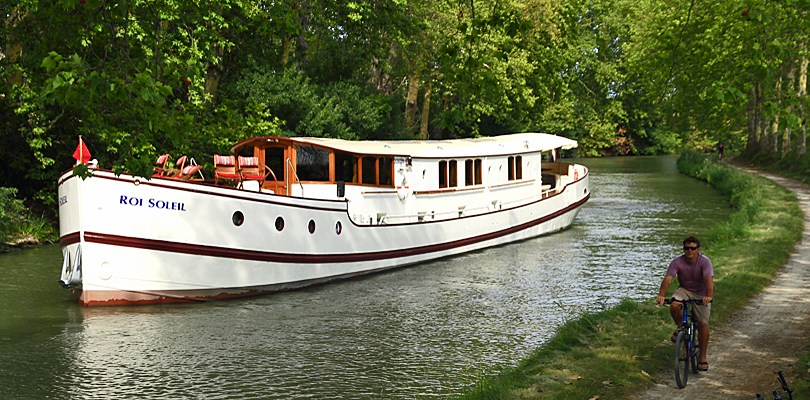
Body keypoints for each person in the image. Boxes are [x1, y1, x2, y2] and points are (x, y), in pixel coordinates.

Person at [656, 236, 714, 371]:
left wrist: (709, 296)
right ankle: (680, 327)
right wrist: (662, 295)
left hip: (701, 292)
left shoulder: (705, 262)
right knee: (675, 305)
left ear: (698, 250)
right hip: (685, 290)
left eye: (693, 248)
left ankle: (703, 357)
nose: (690, 251)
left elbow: (709, 281)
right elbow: (668, 279)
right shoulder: (677, 262)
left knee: (702, 324)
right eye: (687, 248)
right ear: (683, 249)